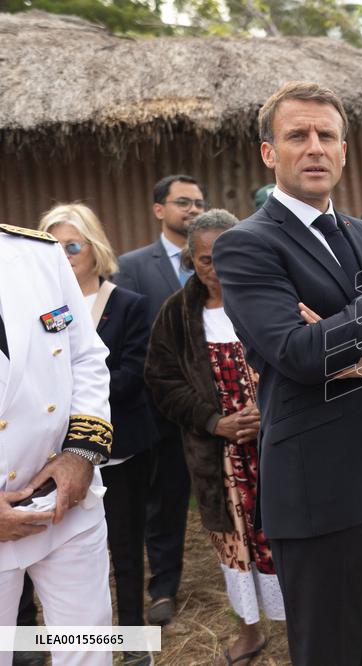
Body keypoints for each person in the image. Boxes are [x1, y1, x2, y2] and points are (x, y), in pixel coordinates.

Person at [210, 81, 362, 665]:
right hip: (317, 487)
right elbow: (298, 354)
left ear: (343, 150)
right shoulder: (247, 245)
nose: (314, 147)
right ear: (269, 152)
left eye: (326, 136)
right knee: (327, 652)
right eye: (297, 136)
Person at [145, 210, 284, 665]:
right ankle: (248, 631)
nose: (216, 269)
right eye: (205, 260)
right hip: (218, 460)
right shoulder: (177, 314)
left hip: (279, 448)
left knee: (287, 538)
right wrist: (213, 421)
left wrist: (272, 411)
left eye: (225, 256)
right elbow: (162, 381)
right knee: (234, 544)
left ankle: (302, 625)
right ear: (191, 260)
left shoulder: (270, 297)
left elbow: (299, 359)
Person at [38, 204, 154, 666]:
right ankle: (32, 647)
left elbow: (131, 374)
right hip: (47, 456)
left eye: (72, 246)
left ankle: (132, 644)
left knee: (125, 550)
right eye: (55, 248)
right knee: (46, 559)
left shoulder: (127, 304)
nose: (64, 256)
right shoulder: (42, 309)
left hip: (118, 450)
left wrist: (71, 400)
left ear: (94, 249)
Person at [0, 223, 114, 666]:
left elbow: (85, 355)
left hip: (65, 502)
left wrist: (81, 454)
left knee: (89, 648)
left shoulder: (39, 254)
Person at [116, 174, 206, 626]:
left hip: (214, 403)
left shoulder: (216, 261)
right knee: (165, 500)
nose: (192, 210)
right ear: (159, 210)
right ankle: (163, 588)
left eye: (198, 202)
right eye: (182, 202)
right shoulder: (131, 266)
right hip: (158, 408)